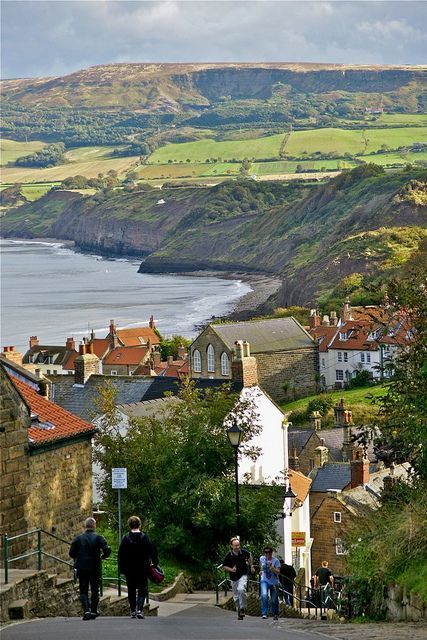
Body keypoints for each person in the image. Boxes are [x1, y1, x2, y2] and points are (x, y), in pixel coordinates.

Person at [69, 517, 111, 620]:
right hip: (94, 567)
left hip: (82, 567)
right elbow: (107, 549)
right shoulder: (99, 538)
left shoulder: (78, 539)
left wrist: (78, 557)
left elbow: (71, 553)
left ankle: (86, 610)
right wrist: (103, 556)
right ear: (94, 526)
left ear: (85, 526)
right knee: (95, 589)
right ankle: (93, 610)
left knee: (83, 589)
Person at [118, 515, 158, 619]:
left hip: (129, 568)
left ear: (129, 525)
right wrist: (155, 563)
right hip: (142, 567)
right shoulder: (145, 537)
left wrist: (121, 568)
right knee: (142, 588)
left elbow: (120, 554)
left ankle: (132, 610)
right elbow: (152, 551)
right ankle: (140, 609)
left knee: (131, 589)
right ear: (139, 525)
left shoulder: (125, 538)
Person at [222, 537, 254, 620]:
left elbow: (250, 556)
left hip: (243, 574)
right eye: (235, 546)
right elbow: (224, 566)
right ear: (231, 546)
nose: (237, 547)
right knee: (236, 596)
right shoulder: (229, 555)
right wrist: (231, 570)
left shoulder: (244, 552)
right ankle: (239, 610)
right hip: (233, 577)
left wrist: (251, 566)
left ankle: (242, 608)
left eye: (238, 545)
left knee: (241, 589)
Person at [259, 546, 281, 620]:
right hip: (264, 580)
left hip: (274, 582)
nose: (267, 554)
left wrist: (271, 567)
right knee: (264, 595)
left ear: (271, 553)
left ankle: (275, 613)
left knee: (274, 600)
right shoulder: (262, 559)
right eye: (266, 552)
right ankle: (264, 613)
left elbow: (278, 572)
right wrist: (261, 571)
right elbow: (261, 567)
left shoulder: (276, 561)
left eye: (269, 552)